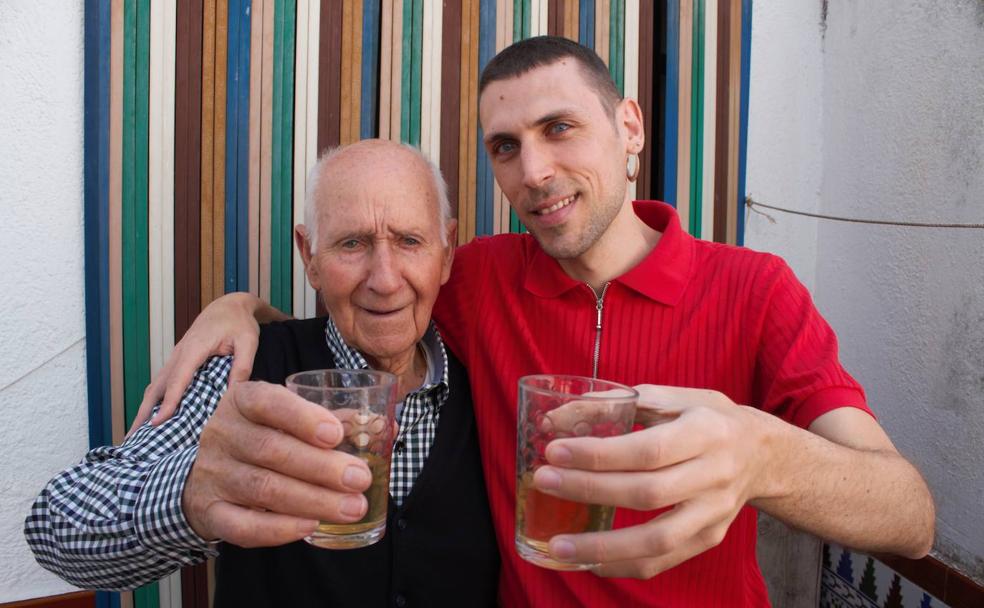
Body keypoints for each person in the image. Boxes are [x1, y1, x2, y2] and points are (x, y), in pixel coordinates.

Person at [115, 37, 935, 606]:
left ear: (630, 128)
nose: (534, 171)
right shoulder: (479, 281)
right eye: (505, 147)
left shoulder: (756, 290)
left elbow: (910, 514)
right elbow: (369, 296)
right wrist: (239, 311)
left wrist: (764, 456)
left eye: (559, 129)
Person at [24, 141, 500, 606]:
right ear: (309, 256)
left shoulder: (488, 379)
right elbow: (56, 526)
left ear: (447, 253)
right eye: (351, 243)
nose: (384, 279)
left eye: (409, 241)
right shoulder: (247, 368)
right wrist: (191, 494)